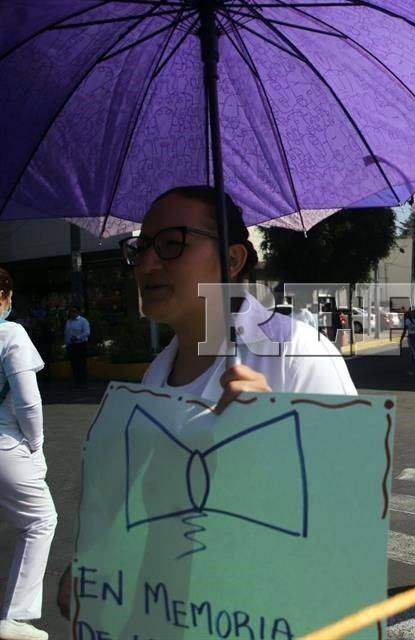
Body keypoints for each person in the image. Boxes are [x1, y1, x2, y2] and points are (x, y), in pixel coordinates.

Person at [57, 184, 357, 616]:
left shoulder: (296, 354)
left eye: (172, 244)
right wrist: (95, 567)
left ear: (233, 259)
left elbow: (350, 517)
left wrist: (273, 445)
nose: (147, 263)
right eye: (140, 249)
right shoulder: (151, 379)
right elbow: (138, 515)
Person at [0, 266, 58, 640]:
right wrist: (36, 444)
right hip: (6, 445)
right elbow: (28, 404)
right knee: (41, 521)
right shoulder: (11, 333)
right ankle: (15, 616)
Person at [63, 305, 90, 387]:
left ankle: (83, 381)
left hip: (80, 345)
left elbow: (87, 332)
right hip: (71, 345)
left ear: (78, 312)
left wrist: (77, 337)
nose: (72, 313)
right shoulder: (68, 321)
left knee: (81, 363)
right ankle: (77, 381)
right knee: (73, 364)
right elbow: (66, 333)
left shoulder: (83, 321)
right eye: (70, 311)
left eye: (74, 311)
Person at [399, 308, 415, 376]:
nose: (413, 313)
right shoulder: (407, 320)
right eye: (412, 312)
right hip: (411, 338)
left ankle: (410, 369)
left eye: (414, 311)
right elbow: (404, 331)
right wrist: (401, 340)